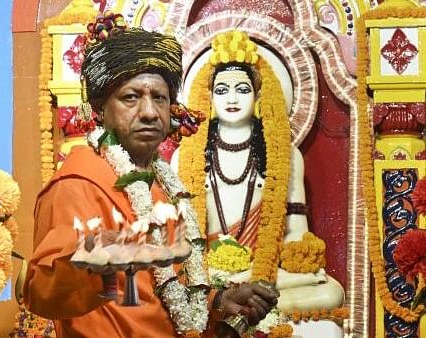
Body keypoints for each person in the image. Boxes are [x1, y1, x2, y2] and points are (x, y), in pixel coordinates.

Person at [24, 18, 278, 338]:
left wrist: (218, 301)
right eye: (131, 97)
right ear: (100, 110)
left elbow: (167, 292)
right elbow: (43, 293)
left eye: (159, 97)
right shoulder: (78, 184)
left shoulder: (162, 184)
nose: (149, 112)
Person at [175, 31, 344, 313]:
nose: (231, 98)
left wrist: (258, 272)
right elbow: (178, 235)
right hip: (207, 274)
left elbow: (295, 232)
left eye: (242, 89)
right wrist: (212, 273)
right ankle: (236, 300)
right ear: (209, 98)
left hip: (264, 270)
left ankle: (248, 298)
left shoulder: (287, 155)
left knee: (330, 293)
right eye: (221, 90)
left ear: (258, 96)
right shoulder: (185, 155)